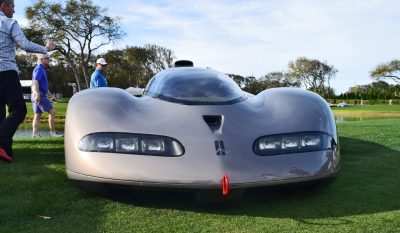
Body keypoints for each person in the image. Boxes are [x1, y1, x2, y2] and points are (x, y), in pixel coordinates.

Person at [0, 0, 56, 162]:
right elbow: (24, 44)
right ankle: (2, 142)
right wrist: (46, 49)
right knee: (18, 110)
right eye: (12, 7)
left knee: (1, 115)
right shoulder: (9, 22)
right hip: (6, 72)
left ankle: (6, 151)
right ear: (4, 6)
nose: (14, 11)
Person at [31, 53, 63, 138]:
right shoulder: (39, 69)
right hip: (39, 94)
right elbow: (36, 82)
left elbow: (44, 86)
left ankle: (35, 134)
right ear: (41, 59)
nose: (49, 60)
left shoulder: (42, 69)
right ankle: (53, 133)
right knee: (52, 112)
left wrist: (51, 96)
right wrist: (37, 94)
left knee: (37, 115)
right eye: (47, 58)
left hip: (39, 94)